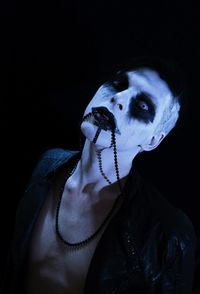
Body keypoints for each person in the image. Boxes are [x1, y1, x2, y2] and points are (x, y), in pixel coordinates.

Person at [2, 56, 198, 294]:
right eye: (117, 84)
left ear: (153, 140)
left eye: (143, 105)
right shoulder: (46, 167)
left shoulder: (166, 234)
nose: (118, 98)